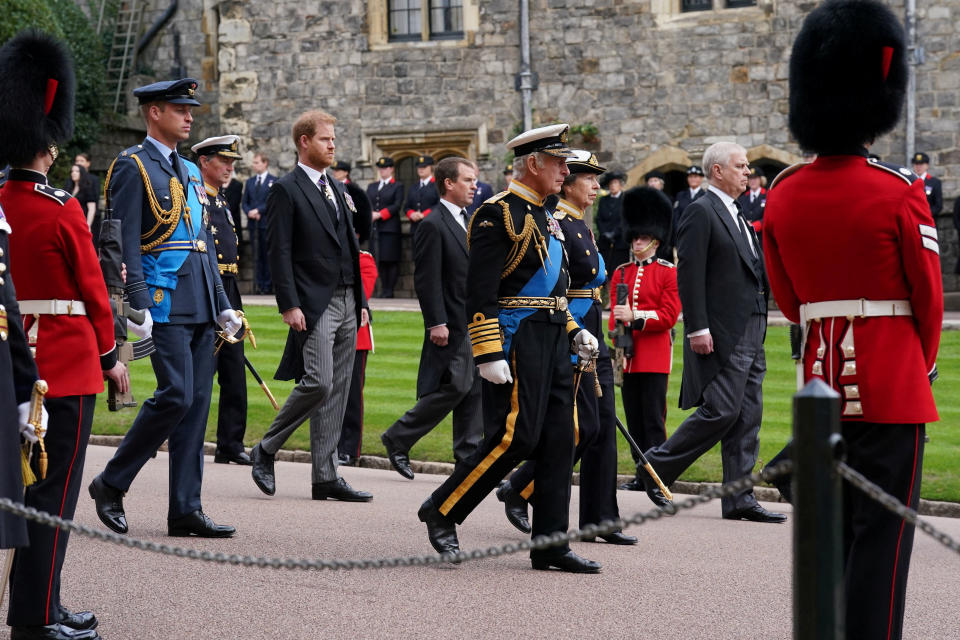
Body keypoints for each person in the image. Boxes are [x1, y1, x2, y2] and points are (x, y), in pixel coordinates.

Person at [764, 3, 942, 636]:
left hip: (820, 387)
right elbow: (928, 299)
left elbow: (787, 301)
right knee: (883, 543)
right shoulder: (897, 190)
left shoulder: (783, 194)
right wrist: (916, 364)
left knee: (827, 535)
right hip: (892, 382)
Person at [416, 124, 601, 573]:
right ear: (533, 164)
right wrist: (488, 352)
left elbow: (555, 289)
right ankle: (442, 509)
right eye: (558, 163)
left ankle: (551, 543)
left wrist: (575, 328)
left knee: (561, 439)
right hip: (517, 339)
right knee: (514, 437)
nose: (565, 170)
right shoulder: (496, 214)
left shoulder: (550, 215)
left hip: (555, 336)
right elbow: (477, 292)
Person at [1, 31, 128, 640]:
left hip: (13, 364)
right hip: (65, 370)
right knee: (52, 501)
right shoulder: (60, 209)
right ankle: (37, 616)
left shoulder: (4, 204)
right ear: (48, 146)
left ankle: (40, 605)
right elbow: (95, 291)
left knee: (21, 496)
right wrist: (111, 357)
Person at [88, 78, 241, 539]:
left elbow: (203, 245)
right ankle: (111, 482)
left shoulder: (192, 171)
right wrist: (135, 302)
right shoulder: (132, 165)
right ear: (154, 112)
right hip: (161, 299)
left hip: (199, 300)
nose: (189, 116)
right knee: (175, 393)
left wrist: (221, 304)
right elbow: (121, 240)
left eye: (189, 108)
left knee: (195, 404)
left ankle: (185, 509)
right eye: (179, 108)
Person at [495, 151, 636, 545]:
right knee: (583, 427)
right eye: (588, 179)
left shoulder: (580, 226)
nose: (595, 186)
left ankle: (601, 519)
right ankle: (522, 486)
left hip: (589, 326)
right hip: (571, 327)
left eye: (595, 180)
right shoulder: (556, 224)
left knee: (601, 428)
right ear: (569, 183)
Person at [640, 141, 785, 524]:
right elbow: (689, 272)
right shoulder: (701, 210)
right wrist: (698, 327)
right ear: (717, 171)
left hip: (753, 321)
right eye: (740, 165)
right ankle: (656, 465)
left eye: (747, 165)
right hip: (722, 328)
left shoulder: (736, 211)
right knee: (722, 410)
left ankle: (739, 497)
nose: (747, 171)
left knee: (747, 414)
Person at [249, 109, 372, 502]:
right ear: (304, 142)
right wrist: (289, 303)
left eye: (334, 139)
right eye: (325, 139)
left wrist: (362, 300)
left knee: (338, 389)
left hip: (349, 298)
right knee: (318, 381)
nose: (333, 145)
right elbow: (278, 251)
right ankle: (266, 448)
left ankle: (325, 476)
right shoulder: (285, 189)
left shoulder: (336, 187)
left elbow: (351, 246)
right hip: (313, 303)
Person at [380, 157, 483, 480]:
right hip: (451, 322)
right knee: (456, 385)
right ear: (448, 183)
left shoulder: (472, 220)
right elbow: (427, 279)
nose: (474, 185)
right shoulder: (432, 223)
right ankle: (399, 436)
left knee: (475, 389)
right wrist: (436, 322)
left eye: (474, 179)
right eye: (468, 180)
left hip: (477, 320)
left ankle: (467, 457)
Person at [609, 188, 681, 493]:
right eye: (634, 237)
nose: (637, 241)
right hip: (627, 356)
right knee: (634, 419)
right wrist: (619, 346)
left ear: (655, 239)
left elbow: (668, 316)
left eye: (642, 237)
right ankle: (641, 476)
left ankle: (657, 475)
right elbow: (614, 316)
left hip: (653, 355)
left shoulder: (668, 273)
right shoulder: (620, 273)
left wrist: (635, 315)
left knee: (653, 419)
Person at [192, 135, 250, 466]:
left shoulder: (222, 199)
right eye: (223, 161)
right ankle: (191, 440)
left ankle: (231, 443)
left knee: (234, 370)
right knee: (203, 370)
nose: (229, 168)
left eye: (231, 163)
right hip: (207, 287)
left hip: (230, 286)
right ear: (204, 161)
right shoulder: (195, 198)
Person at [336, 249, 378, 466]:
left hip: (356, 335)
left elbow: (361, 293)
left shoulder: (364, 260)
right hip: (329, 332)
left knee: (351, 395)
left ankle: (349, 449)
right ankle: (332, 445)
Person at [366, 156, 404, 297]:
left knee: (390, 259)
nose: (383, 170)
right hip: (375, 229)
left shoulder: (397, 186)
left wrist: (380, 214)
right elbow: (367, 202)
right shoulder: (372, 186)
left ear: (392, 169)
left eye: (386, 168)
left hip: (390, 228)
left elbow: (397, 205)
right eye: (381, 168)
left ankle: (389, 290)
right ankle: (382, 290)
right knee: (379, 260)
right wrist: (369, 213)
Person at [241, 152, 277, 294]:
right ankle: (258, 285)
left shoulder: (273, 181)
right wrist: (249, 211)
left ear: (265, 163)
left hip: (266, 224)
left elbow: (272, 201)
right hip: (253, 225)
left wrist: (258, 211)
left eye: (257, 162)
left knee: (267, 255)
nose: (254, 165)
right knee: (256, 256)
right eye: (254, 162)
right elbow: (245, 202)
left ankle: (267, 286)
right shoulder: (250, 182)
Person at [595, 169, 627, 278]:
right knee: (606, 272)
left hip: (620, 243)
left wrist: (614, 233)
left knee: (620, 273)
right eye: (611, 184)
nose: (613, 186)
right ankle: (608, 294)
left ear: (620, 185)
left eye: (615, 183)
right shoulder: (604, 200)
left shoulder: (625, 198)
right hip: (605, 242)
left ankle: (619, 295)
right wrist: (604, 233)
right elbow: (599, 218)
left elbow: (625, 219)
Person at [65, 163, 100, 246]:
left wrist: (88, 225)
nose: (73, 173)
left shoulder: (87, 188)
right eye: (72, 171)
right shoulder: (68, 188)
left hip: (82, 221)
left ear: (82, 173)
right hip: (71, 222)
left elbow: (92, 208)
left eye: (77, 171)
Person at [405, 154, 439, 230]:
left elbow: (440, 204)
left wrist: (423, 215)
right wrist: (412, 214)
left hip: (432, 226)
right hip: (415, 227)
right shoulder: (413, 187)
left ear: (431, 167)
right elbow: (406, 206)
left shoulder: (437, 185)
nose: (421, 169)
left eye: (424, 167)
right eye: (419, 167)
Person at [911, 152, 942, 217]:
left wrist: (924, 214)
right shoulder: (909, 181)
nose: (918, 167)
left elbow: (938, 206)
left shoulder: (935, 182)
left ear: (927, 166)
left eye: (921, 164)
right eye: (916, 164)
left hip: (928, 219)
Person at [737, 166, 766, 236]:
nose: (752, 181)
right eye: (750, 178)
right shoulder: (742, 198)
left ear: (761, 180)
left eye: (755, 178)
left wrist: (754, 226)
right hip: (747, 236)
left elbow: (769, 217)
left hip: (762, 236)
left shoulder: (767, 196)